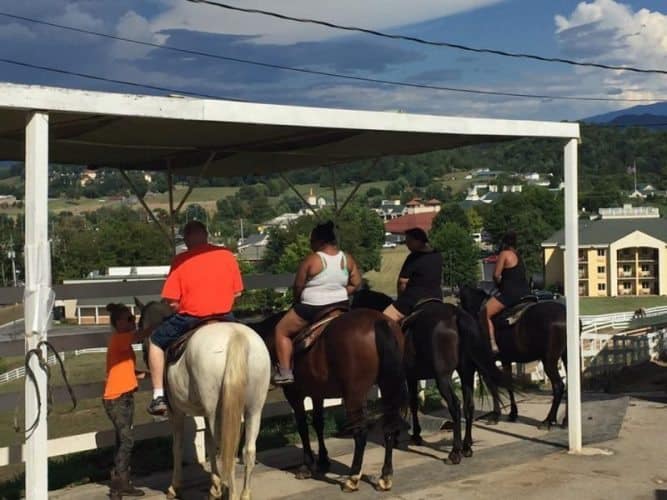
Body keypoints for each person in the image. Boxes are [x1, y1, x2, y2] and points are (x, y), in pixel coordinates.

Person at [147, 220, 243, 415]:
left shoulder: (180, 261)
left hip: (191, 317)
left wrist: (181, 306)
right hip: (225, 316)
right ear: (206, 235)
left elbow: (172, 300)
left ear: (187, 238)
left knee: (155, 342)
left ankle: (158, 396)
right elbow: (238, 293)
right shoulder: (226, 255)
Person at [273, 220, 362, 385]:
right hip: (341, 305)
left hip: (312, 307)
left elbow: (298, 286)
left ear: (320, 241)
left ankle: (285, 371)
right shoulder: (347, 259)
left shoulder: (312, 260)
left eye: (312, 241)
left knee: (281, 331)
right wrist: (341, 292)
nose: (310, 245)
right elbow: (356, 283)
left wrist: (297, 300)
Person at [103, 303, 147, 499]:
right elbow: (140, 335)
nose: (133, 322)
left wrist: (148, 374)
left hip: (125, 396)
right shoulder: (119, 339)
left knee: (123, 440)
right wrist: (160, 325)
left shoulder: (123, 343)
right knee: (127, 441)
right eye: (129, 319)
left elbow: (128, 370)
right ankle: (117, 486)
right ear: (119, 322)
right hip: (117, 398)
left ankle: (124, 482)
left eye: (133, 318)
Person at [383, 227, 443, 322]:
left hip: (413, 299)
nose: (407, 245)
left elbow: (403, 282)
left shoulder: (413, 258)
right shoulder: (437, 254)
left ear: (418, 241)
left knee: (384, 319)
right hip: (437, 297)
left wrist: (401, 298)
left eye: (409, 241)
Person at [484, 231, 530, 353]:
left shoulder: (504, 254)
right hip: (525, 292)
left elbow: (496, 275)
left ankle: (492, 343)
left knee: (484, 312)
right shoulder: (519, 256)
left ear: (504, 243)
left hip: (510, 294)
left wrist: (497, 283)